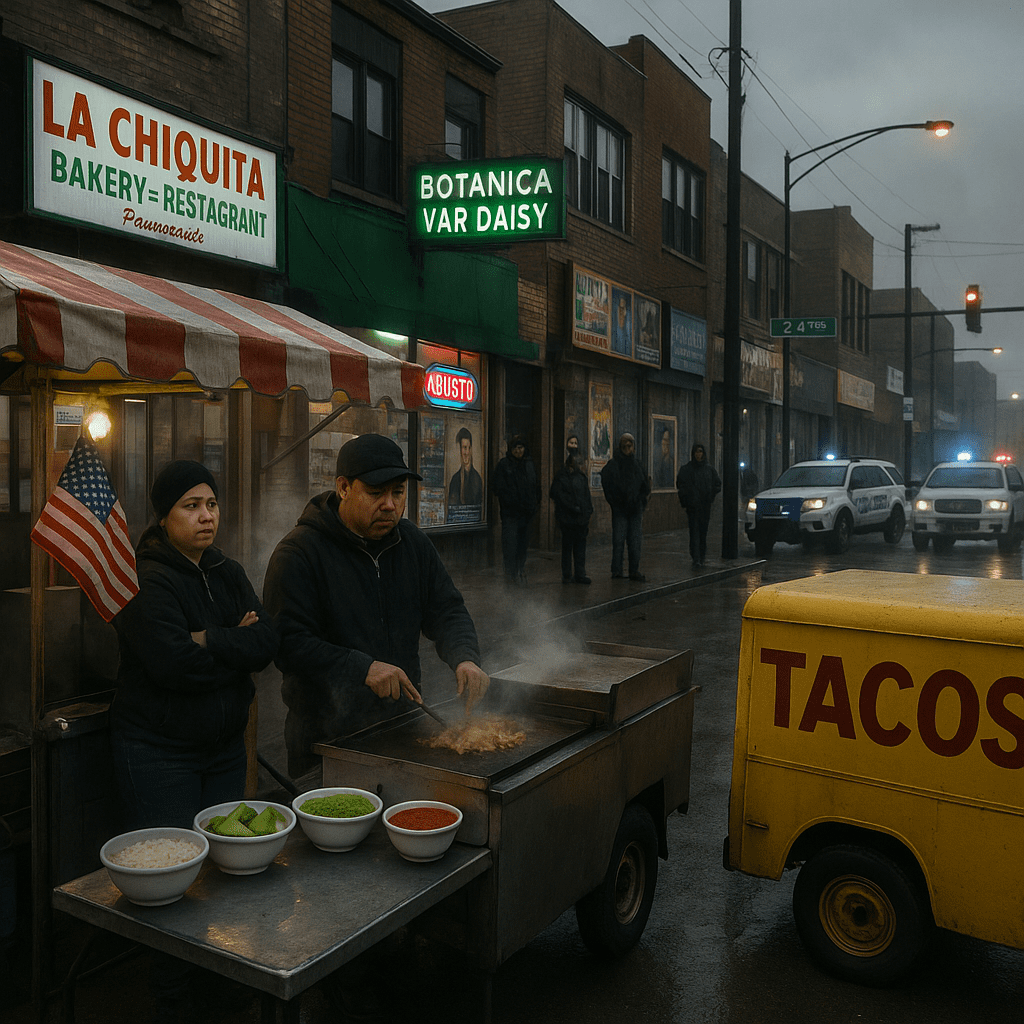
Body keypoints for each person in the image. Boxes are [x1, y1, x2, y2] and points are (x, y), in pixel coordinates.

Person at [109, 459, 278, 1023]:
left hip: (223, 750)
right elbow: (171, 664)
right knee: (172, 882)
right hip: (159, 753)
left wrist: (212, 641)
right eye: (191, 506)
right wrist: (235, 644)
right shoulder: (143, 577)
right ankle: (173, 1000)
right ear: (165, 515)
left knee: (224, 871)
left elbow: (268, 642)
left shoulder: (225, 570)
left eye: (211, 504)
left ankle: (218, 985)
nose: (207, 517)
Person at [263, 433, 489, 779]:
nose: (389, 504)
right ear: (343, 488)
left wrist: (465, 656)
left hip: (404, 724)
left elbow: (446, 608)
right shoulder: (300, 554)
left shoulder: (413, 543)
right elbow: (288, 643)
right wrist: (362, 668)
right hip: (326, 737)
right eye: (375, 493)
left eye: (398, 492)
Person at [600, 432, 651, 581]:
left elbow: (645, 486)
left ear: (633, 447)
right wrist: (614, 502)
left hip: (635, 510)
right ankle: (617, 570)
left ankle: (634, 570)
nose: (627, 448)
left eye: (630, 445)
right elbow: (606, 483)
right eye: (625, 445)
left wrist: (641, 502)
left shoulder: (638, 464)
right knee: (618, 541)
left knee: (635, 542)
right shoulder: (613, 465)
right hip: (620, 510)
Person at [492, 433, 541, 585]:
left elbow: (536, 487)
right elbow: (497, 488)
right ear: (511, 449)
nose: (519, 451)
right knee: (510, 546)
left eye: (521, 448)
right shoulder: (504, 465)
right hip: (510, 515)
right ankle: (510, 574)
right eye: (516, 448)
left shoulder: (529, 465)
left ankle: (520, 570)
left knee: (522, 545)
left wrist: (534, 504)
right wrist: (509, 501)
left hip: (526, 514)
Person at [549, 434, 593, 584]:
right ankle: (567, 574)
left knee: (580, 548)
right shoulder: (562, 476)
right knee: (567, 548)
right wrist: (571, 507)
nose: (578, 464)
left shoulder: (581, 477)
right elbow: (556, 494)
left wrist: (587, 512)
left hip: (580, 519)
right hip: (567, 519)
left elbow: (586, 497)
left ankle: (580, 573)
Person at [676, 442, 722, 569]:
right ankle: (696, 557)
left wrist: (710, 494)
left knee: (702, 532)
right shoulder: (687, 469)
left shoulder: (709, 470)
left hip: (704, 506)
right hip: (692, 506)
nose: (698, 454)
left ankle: (701, 556)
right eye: (696, 452)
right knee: (694, 532)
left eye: (700, 452)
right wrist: (686, 499)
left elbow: (717, 484)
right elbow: (681, 485)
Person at [447, 425, 483, 516]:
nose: (466, 453)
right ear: (459, 450)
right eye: (464, 448)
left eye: (468, 448)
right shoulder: (455, 479)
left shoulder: (477, 478)